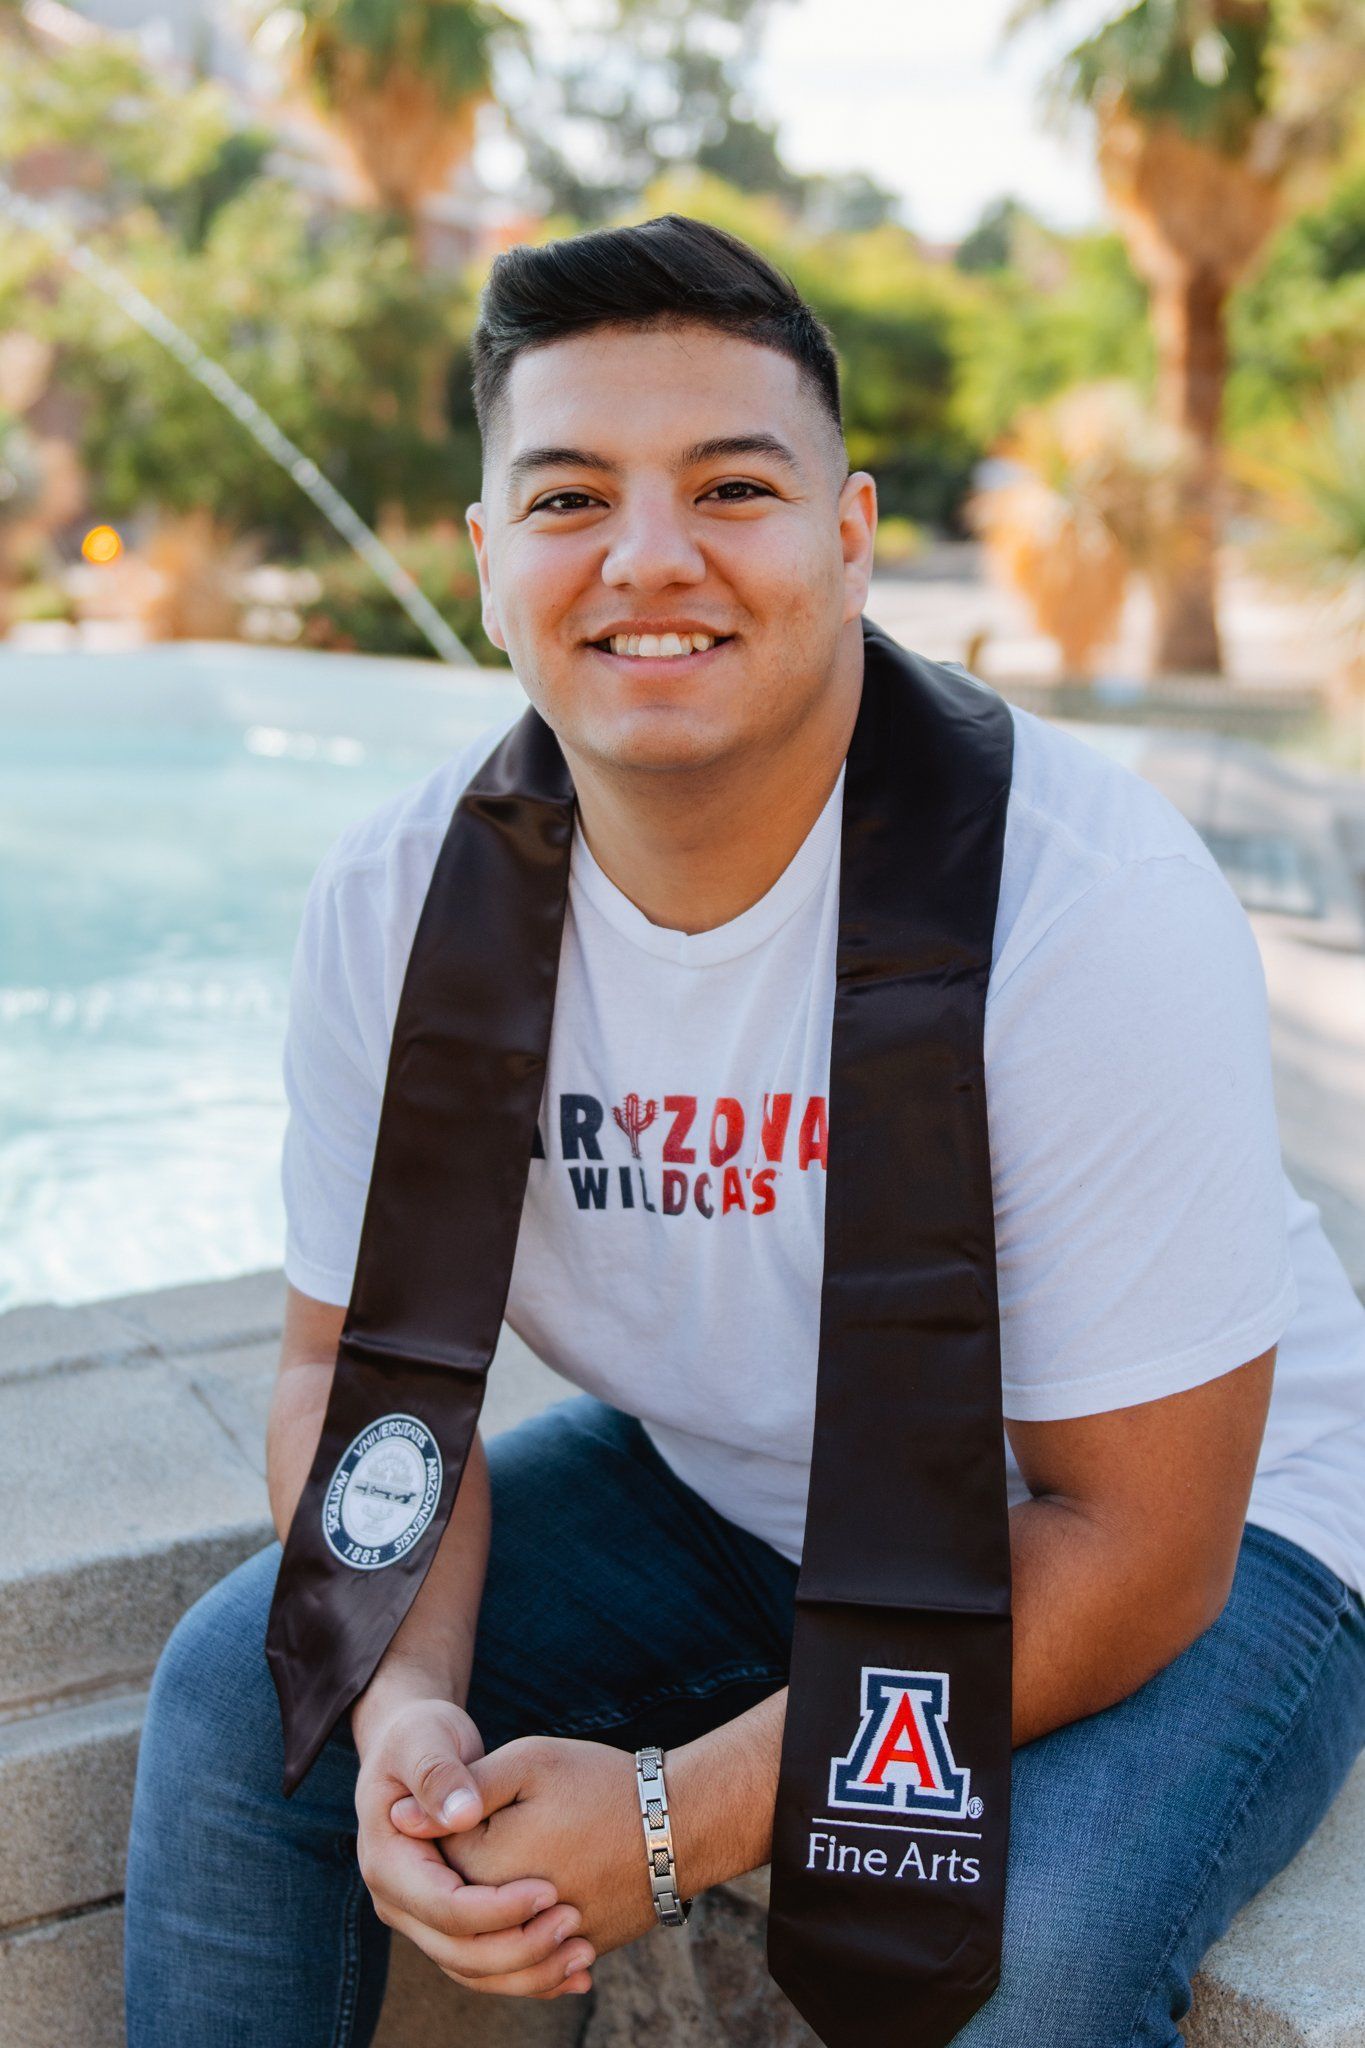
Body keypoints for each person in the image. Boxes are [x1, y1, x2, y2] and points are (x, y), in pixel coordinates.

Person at [123, 213, 1365, 2048]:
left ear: (847, 537)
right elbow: (355, 1384)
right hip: (738, 1503)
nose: (646, 558)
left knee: (1010, 1965)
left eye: (729, 486)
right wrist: (401, 1719)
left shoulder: (1076, 902)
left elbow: (1133, 1542)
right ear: (483, 562)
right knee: (253, 1706)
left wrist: (670, 1815)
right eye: (565, 500)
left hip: (1164, 1538)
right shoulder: (405, 901)